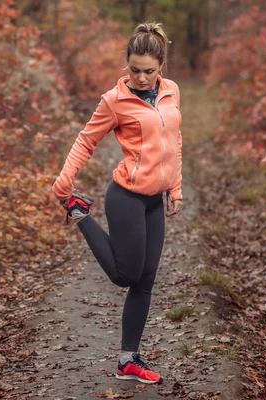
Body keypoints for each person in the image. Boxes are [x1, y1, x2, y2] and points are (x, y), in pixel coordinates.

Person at [52, 21, 183, 384]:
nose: (141, 78)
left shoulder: (171, 91)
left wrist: (175, 187)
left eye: (149, 71)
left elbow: (175, 140)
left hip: (155, 201)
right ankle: (79, 213)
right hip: (125, 196)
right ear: (126, 64)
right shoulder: (115, 100)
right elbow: (85, 140)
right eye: (134, 70)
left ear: (161, 67)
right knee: (125, 275)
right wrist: (65, 182)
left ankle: (129, 361)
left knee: (145, 281)